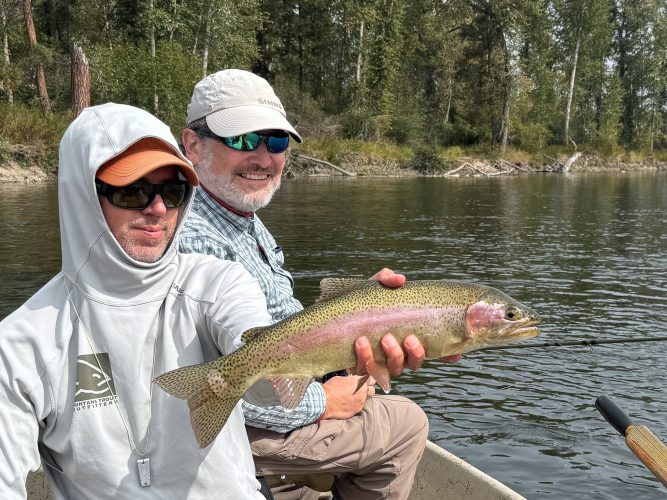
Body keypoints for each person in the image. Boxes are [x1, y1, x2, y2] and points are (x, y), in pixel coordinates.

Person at [179, 69, 459, 499]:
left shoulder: (240, 221)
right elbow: (216, 381)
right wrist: (324, 403)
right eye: (240, 139)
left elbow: (284, 329)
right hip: (231, 421)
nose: (262, 156)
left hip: (265, 403)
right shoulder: (197, 240)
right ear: (193, 146)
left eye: (276, 142)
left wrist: (356, 312)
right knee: (405, 424)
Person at [0, 103, 280, 498]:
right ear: (83, 195)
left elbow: (269, 388)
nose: (159, 209)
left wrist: (346, 338)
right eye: (133, 191)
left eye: (173, 190)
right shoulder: (20, 344)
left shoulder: (219, 284)